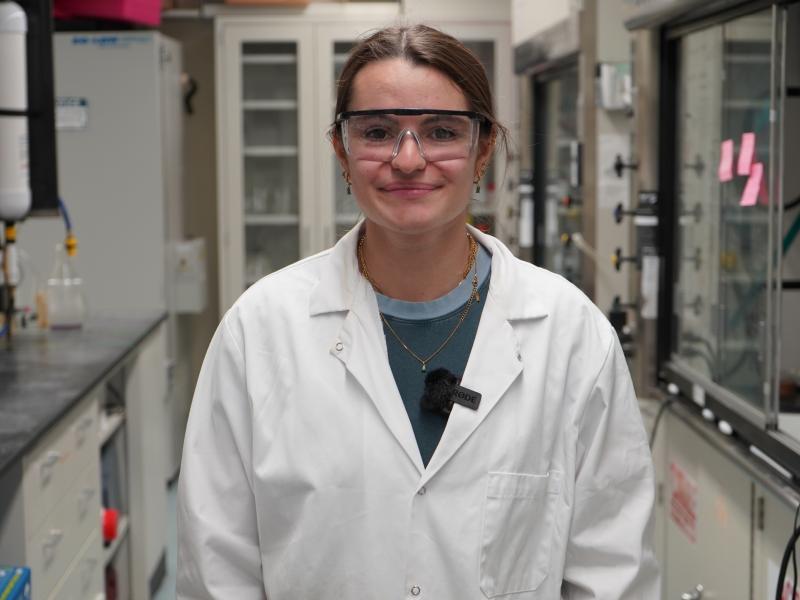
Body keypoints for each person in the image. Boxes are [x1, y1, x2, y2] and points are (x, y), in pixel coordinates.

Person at [177, 24, 660, 599]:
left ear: (483, 149)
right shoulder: (259, 333)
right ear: (342, 150)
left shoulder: (573, 337)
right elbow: (218, 572)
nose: (409, 159)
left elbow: (611, 574)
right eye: (378, 132)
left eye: (441, 132)